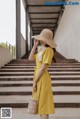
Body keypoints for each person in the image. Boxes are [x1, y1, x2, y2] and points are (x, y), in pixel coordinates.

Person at [28, 29, 57, 119]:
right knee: (39, 105)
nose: (39, 40)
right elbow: (30, 58)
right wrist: (34, 46)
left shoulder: (49, 50)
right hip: (38, 76)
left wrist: (35, 81)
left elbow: (43, 67)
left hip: (42, 78)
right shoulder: (41, 50)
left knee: (43, 106)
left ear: (45, 40)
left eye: (41, 38)